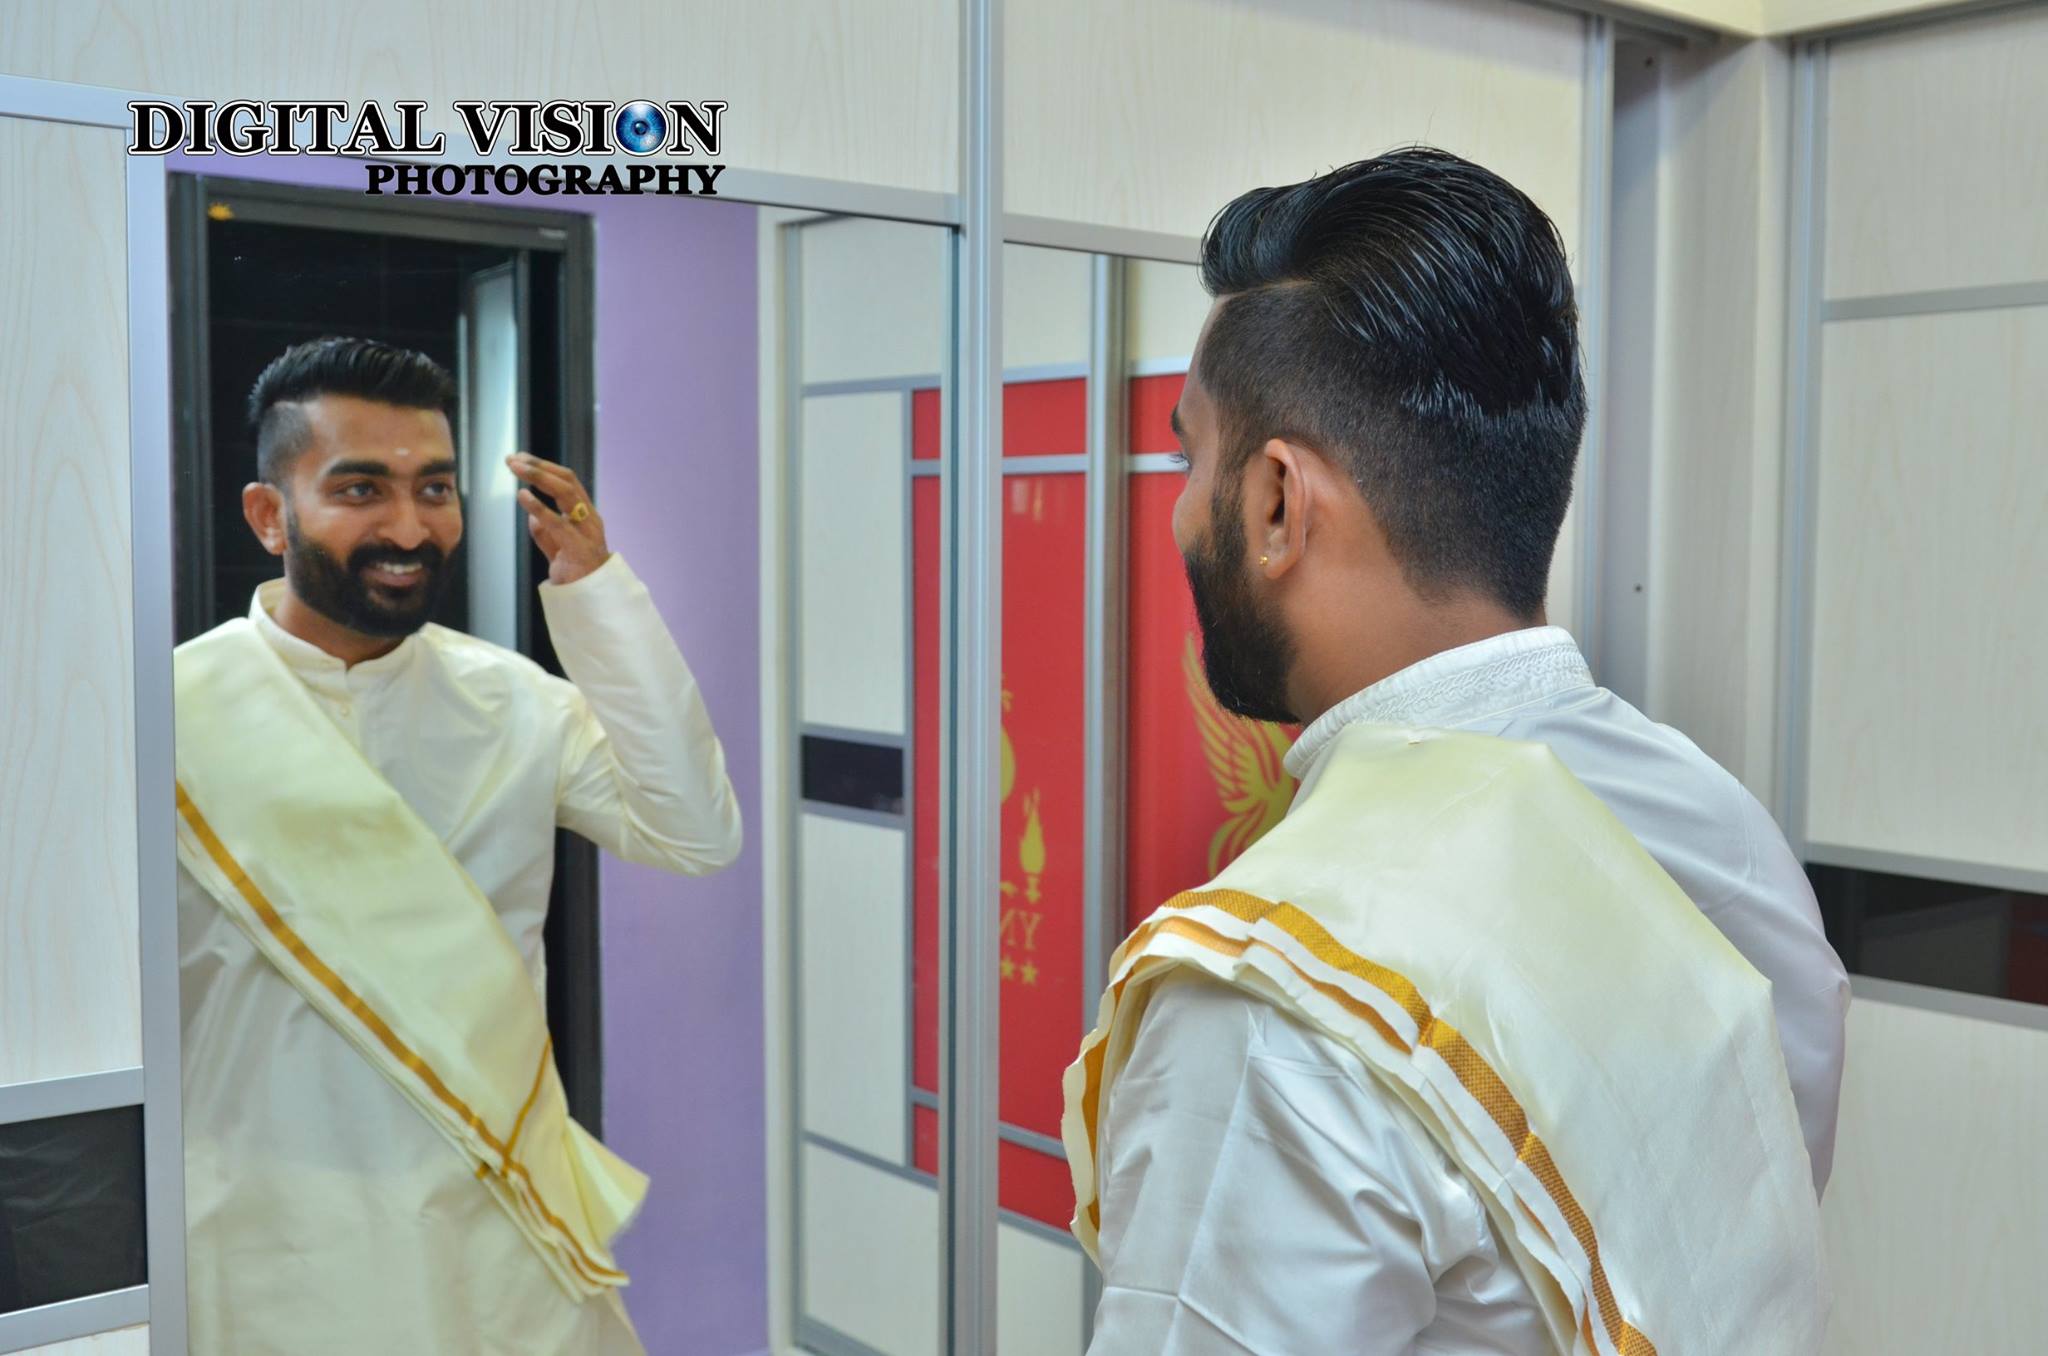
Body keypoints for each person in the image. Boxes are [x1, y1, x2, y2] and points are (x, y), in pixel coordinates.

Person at [1063, 149, 1846, 1353]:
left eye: (1188, 456)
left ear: (1276, 502)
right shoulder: (1719, 834)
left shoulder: (1276, 1003)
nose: (1178, 509)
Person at [173, 337, 742, 1354]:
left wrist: (595, 592)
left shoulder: (512, 700)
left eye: (433, 488)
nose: (407, 526)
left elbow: (694, 833)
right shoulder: (171, 714)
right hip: (268, 1236)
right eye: (359, 489)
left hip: (499, 1217)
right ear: (271, 516)